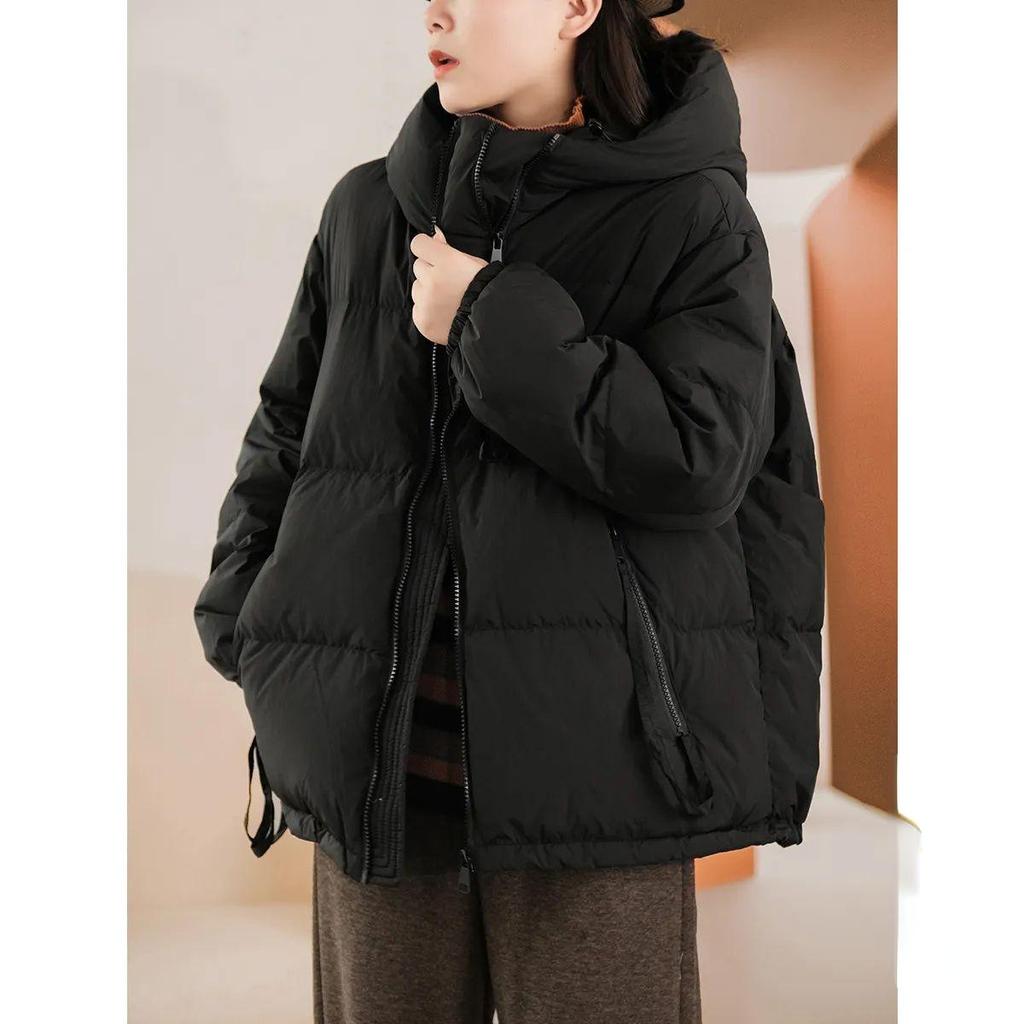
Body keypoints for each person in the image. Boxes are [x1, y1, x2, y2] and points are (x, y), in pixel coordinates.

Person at [193, 1, 826, 1021]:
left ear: (577, 6)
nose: (437, 10)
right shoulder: (367, 208)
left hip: (605, 772)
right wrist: (246, 621)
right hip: (382, 767)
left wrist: (489, 315)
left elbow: (701, 460)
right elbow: (287, 433)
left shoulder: (691, 215)